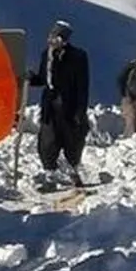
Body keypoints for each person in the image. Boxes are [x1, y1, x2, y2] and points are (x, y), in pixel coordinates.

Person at [28, 20, 89, 188]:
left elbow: (83, 86)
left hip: (70, 104)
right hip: (50, 104)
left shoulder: (78, 57)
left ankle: (73, 171)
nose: (52, 40)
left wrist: (80, 111)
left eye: (57, 37)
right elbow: (43, 79)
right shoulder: (46, 55)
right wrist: (30, 78)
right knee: (47, 140)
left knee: (72, 140)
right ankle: (50, 175)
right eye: (52, 36)